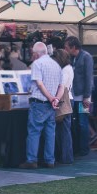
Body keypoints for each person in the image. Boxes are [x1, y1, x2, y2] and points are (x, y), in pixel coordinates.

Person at [20, 41, 62, 169]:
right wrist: (56, 99)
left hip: (39, 102)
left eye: (33, 53)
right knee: (50, 132)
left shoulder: (37, 64)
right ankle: (50, 160)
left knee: (34, 131)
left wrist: (50, 98)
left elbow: (39, 83)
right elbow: (61, 86)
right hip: (52, 104)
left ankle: (32, 160)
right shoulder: (56, 65)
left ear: (36, 54)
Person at [65, 37, 94, 156]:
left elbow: (88, 77)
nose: (65, 49)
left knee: (83, 122)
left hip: (84, 96)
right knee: (76, 123)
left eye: (67, 47)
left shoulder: (86, 57)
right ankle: (77, 147)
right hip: (74, 96)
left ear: (73, 47)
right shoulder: (72, 58)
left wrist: (87, 96)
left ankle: (84, 148)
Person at [53, 48, 75, 164]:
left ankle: (66, 157)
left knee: (64, 130)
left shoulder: (65, 70)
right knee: (64, 130)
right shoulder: (68, 68)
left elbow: (62, 86)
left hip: (65, 100)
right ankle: (65, 156)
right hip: (68, 99)